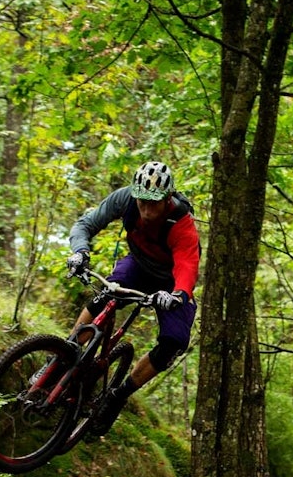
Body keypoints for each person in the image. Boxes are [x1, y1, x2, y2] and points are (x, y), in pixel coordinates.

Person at [64, 160, 199, 426]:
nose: (147, 210)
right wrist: (80, 251)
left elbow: (187, 264)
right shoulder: (125, 198)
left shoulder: (181, 222)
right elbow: (86, 224)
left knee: (174, 341)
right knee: (106, 296)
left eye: (154, 203)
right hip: (138, 263)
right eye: (142, 203)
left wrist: (178, 295)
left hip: (171, 281)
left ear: (167, 198)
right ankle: (63, 356)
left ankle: (118, 395)